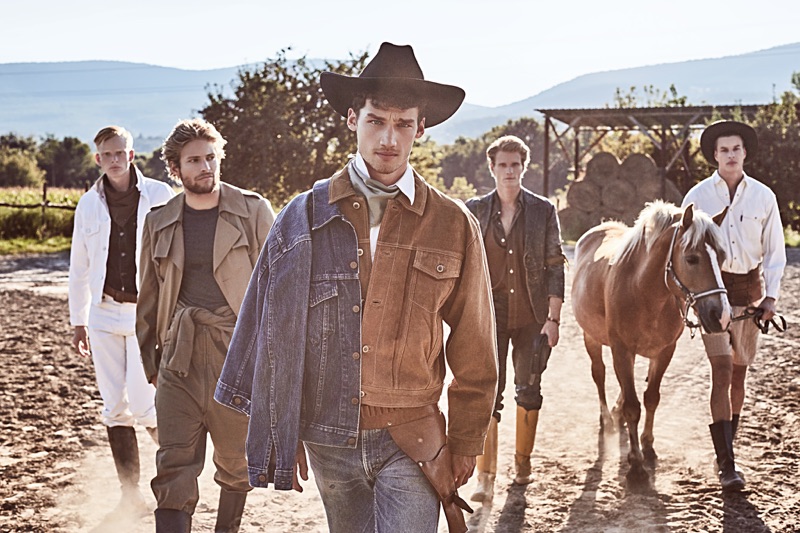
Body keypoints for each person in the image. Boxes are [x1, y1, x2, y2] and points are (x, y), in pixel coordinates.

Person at [215, 42, 498, 533]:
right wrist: (285, 424)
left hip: (413, 437)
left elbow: (476, 342)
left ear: (421, 129)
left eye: (403, 124)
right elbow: (269, 330)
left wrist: (468, 440)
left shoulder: (453, 224)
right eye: (376, 121)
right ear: (352, 119)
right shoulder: (302, 216)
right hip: (330, 440)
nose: (389, 138)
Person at [136, 118, 275, 531]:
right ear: (176, 169)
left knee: (237, 463)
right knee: (173, 463)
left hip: (236, 354)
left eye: (211, 157)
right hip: (178, 356)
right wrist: (152, 366)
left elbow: (278, 288)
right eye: (194, 160)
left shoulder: (252, 211)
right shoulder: (158, 221)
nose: (205, 167)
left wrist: (270, 363)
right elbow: (148, 299)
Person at [68, 125, 175, 516]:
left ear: (132, 155)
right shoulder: (87, 204)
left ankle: (176, 480)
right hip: (102, 313)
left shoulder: (161, 196)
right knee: (114, 407)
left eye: (120, 153)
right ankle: (130, 495)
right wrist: (77, 320)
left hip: (144, 315)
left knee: (145, 405)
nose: (114, 160)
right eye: (106, 155)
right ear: (98, 159)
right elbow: (79, 266)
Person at [682, 120, 786, 492]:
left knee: (739, 374)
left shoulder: (763, 197)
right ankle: (726, 464)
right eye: (723, 149)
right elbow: (683, 253)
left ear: (744, 153)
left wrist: (770, 297)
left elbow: (775, 251)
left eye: (736, 149)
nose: (730, 154)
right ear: (714, 154)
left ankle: (727, 446)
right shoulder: (696, 198)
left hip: (749, 292)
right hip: (711, 293)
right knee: (722, 372)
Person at [464, 135, 566, 502]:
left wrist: (553, 318)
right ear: (492, 168)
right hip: (487, 317)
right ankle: (484, 476)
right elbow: (461, 264)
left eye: (515, 165)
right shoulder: (474, 210)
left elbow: (555, 263)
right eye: (503, 165)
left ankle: (523, 464)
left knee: (529, 389)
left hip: (531, 316)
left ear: (524, 168)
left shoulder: (542, 210)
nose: (509, 171)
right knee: (488, 394)